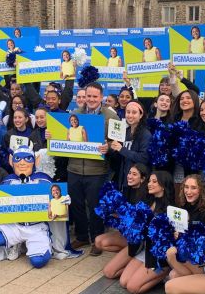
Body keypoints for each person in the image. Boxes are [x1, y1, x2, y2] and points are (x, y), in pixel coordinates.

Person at [65, 82, 119, 255]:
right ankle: (82, 236)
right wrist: (52, 136)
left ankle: (97, 238)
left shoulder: (111, 116)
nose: (91, 99)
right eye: (88, 96)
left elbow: (118, 142)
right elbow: (64, 138)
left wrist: (108, 147)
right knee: (77, 204)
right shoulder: (74, 114)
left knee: (96, 206)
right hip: (74, 168)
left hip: (97, 170)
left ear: (101, 97)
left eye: (95, 96)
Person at [0, 145, 54, 268]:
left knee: (38, 262)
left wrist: (61, 202)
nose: (22, 163)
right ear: (11, 161)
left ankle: (36, 244)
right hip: (15, 225)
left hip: (36, 227)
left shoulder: (43, 180)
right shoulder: (8, 181)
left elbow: (56, 199)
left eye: (28, 159)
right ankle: (16, 244)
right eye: (18, 159)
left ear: (36, 161)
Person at [119, 171, 174, 294]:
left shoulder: (170, 209)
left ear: (163, 185)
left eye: (154, 182)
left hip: (158, 256)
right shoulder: (147, 201)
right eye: (149, 181)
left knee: (133, 287)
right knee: (123, 282)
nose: (149, 184)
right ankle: (148, 275)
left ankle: (164, 271)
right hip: (144, 249)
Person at [97, 164, 149, 262]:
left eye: (134, 174)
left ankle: (135, 253)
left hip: (139, 237)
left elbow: (138, 221)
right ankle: (130, 254)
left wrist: (121, 215)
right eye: (129, 173)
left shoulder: (146, 195)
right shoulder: (128, 189)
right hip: (127, 233)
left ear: (142, 179)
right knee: (98, 242)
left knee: (104, 244)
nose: (129, 176)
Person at [109, 100, 151, 195]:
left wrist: (122, 149)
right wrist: (111, 148)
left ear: (141, 115)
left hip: (138, 183)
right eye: (128, 112)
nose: (130, 115)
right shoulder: (124, 131)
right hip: (124, 180)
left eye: (134, 112)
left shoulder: (145, 134)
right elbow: (119, 158)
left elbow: (144, 158)